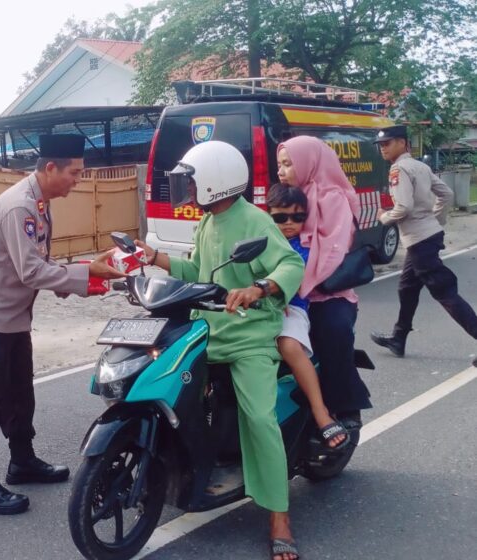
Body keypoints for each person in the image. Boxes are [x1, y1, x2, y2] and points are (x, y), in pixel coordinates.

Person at [137, 141, 305, 560]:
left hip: (248, 336)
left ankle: (279, 515)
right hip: (209, 331)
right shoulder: (207, 223)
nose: (187, 189)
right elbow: (198, 271)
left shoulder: (254, 220)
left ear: (214, 181)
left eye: (191, 181)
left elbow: (291, 265)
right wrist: (154, 258)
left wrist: (259, 288)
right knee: (163, 384)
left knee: (259, 418)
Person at [0, 134, 126, 515]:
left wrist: (77, 280)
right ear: (51, 168)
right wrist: (85, 277)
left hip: (13, 317)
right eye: (75, 173)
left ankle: (22, 461)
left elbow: (35, 264)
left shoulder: (39, 201)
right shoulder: (20, 207)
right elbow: (32, 270)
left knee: (19, 394)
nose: (77, 181)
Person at [276, 136, 372, 426]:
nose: (281, 171)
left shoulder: (333, 199)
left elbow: (331, 251)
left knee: (333, 330)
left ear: (309, 163)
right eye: (279, 164)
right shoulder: (287, 197)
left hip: (328, 292)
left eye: (288, 164)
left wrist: (292, 285)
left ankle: (345, 408)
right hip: (292, 292)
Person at [368, 125, 477, 365]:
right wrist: (435, 219)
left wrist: (384, 217)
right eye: (381, 145)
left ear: (402, 143)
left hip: (420, 241)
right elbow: (446, 194)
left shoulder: (399, 169)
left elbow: (404, 207)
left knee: (446, 293)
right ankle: (398, 337)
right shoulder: (421, 166)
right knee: (407, 289)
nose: (383, 149)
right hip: (427, 237)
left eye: (387, 143)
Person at [266, 183, 349, 449]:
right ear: (268, 215)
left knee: (288, 345)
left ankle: (320, 411)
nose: (289, 223)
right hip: (257, 309)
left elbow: (296, 278)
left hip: (292, 308)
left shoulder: (303, 247)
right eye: (280, 217)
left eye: (297, 217)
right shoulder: (261, 241)